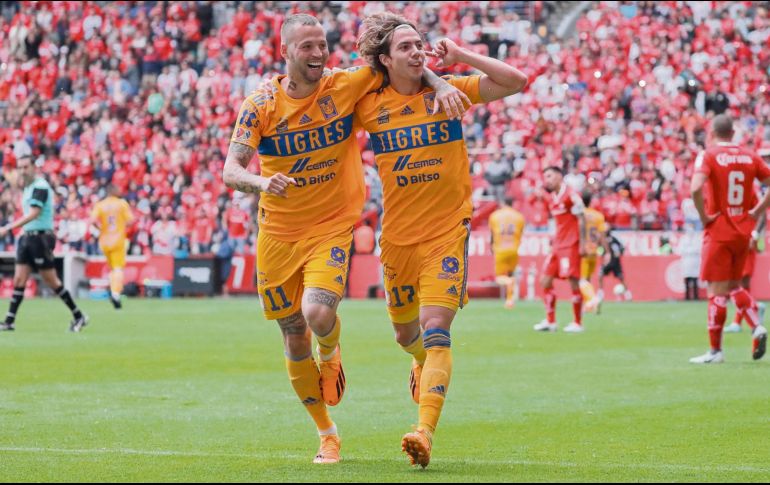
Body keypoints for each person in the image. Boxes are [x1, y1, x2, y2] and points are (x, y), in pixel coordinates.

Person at [222, 13, 469, 465]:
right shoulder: (260, 104)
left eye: (322, 45)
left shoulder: (346, 84)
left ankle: (331, 350)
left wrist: (441, 80)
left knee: (316, 313)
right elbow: (231, 169)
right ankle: (327, 434)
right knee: (293, 334)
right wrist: (260, 183)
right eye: (307, 47)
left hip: (332, 226)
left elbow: (403, 63)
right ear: (285, 52)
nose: (318, 54)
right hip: (277, 232)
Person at [355, 13, 527, 467]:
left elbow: (516, 81)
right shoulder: (369, 104)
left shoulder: (450, 93)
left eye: (420, 45)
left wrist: (459, 59)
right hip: (396, 238)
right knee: (405, 335)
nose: (416, 51)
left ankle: (424, 431)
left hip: (446, 234)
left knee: (436, 333)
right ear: (385, 60)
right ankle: (420, 364)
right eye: (406, 47)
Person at [689, 114, 770, 364]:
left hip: (719, 230)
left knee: (715, 291)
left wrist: (704, 216)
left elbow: (695, 188)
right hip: (742, 231)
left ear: (712, 132)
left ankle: (715, 352)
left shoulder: (709, 155)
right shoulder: (749, 155)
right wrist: (758, 210)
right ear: (733, 134)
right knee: (735, 285)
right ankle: (757, 326)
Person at [0, 154, 88, 332]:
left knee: (51, 280)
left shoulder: (40, 186)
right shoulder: (29, 187)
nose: (23, 171)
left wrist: (8, 228)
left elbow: (34, 213)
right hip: (27, 237)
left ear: (34, 167)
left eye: (26, 167)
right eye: (20, 167)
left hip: (40, 238)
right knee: (19, 279)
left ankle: (79, 315)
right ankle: (9, 321)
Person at [533, 166, 587, 333]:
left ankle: (577, 323)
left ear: (558, 176)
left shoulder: (570, 194)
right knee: (545, 281)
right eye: (545, 177)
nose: (546, 180)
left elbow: (582, 217)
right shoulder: (552, 198)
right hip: (557, 245)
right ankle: (551, 322)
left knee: (573, 282)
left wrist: (583, 244)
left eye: (549, 176)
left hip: (571, 245)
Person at [90, 184, 135, 309]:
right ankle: (115, 294)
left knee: (111, 268)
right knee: (118, 268)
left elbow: (93, 221)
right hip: (118, 240)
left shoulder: (100, 204)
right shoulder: (121, 204)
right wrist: (122, 226)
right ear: (114, 191)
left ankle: (113, 290)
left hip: (104, 241)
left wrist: (101, 229)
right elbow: (131, 220)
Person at [724, 206, 766, 332]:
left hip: (747, 240)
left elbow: (762, 212)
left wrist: (755, 233)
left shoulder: (749, 192)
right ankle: (753, 307)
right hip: (736, 239)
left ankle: (739, 320)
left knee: (739, 283)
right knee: (738, 284)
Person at [488, 197, 525, 308]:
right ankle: (509, 300)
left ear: (503, 203)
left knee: (500, 277)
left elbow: (492, 234)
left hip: (500, 249)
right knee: (511, 274)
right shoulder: (519, 216)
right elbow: (521, 233)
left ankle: (509, 285)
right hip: (514, 249)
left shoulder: (495, 216)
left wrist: (491, 246)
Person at [579, 192, 608, 313]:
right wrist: (606, 250)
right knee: (588, 279)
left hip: (584, 250)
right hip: (594, 250)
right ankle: (587, 305)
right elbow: (602, 235)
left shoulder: (580, 214)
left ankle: (592, 298)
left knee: (581, 280)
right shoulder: (598, 216)